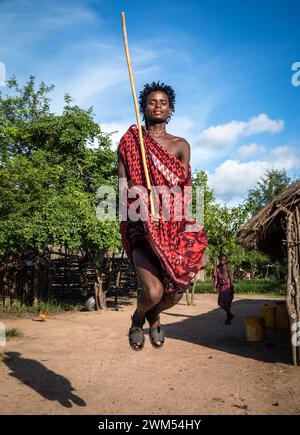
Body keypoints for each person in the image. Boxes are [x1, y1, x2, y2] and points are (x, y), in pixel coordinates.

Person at [117, 81, 208, 350]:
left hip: (172, 228)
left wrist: (170, 213)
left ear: (170, 110)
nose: (158, 106)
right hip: (141, 228)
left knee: (175, 292)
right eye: (152, 102)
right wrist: (143, 207)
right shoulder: (131, 142)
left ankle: (154, 314)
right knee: (154, 291)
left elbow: (184, 189)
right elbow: (123, 188)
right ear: (143, 107)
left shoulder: (181, 145)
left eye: (163, 102)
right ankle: (138, 320)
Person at [213, 255, 234, 325]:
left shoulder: (228, 267)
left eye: (224, 260)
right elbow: (216, 278)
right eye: (221, 259)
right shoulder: (218, 268)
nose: (222, 261)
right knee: (220, 303)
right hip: (222, 287)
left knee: (228, 303)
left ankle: (228, 318)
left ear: (226, 260)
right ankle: (230, 315)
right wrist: (215, 286)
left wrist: (232, 288)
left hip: (228, 286)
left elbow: (231, 278)